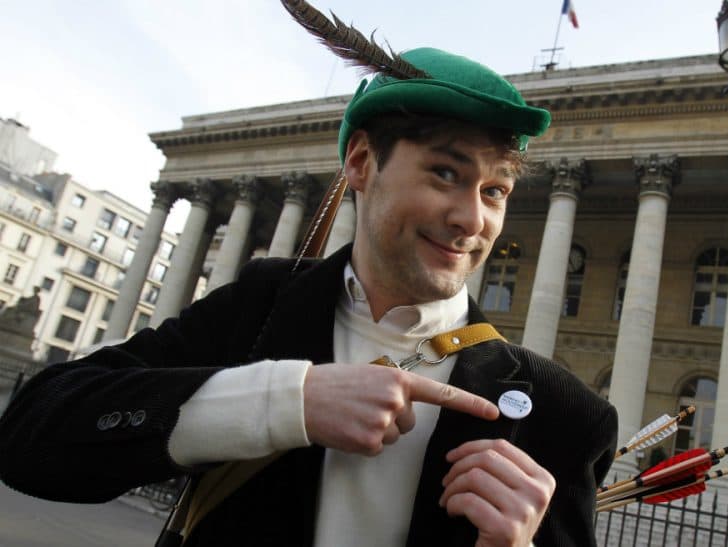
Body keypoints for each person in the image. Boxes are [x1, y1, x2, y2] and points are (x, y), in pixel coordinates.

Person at [0, 16, 617, 547]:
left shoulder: (565, 413)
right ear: (360, 163)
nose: (471, 219)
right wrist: (280, 400)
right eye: (445, 174)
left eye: (494, 191)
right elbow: (31, 438)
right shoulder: (260, 309)